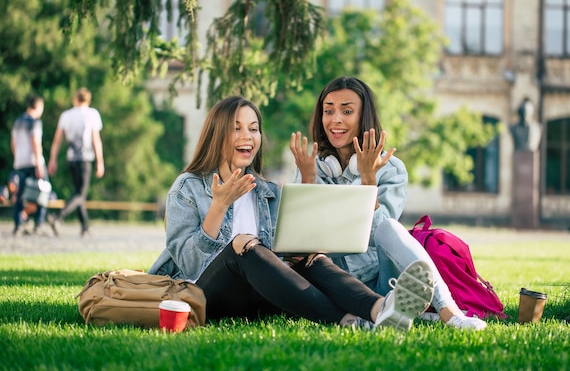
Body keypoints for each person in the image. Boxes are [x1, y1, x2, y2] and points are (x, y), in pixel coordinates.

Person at [148, 95, 435, 330]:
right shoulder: (187, 188)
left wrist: (300, 252)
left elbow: (281, 259)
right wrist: (219, 206)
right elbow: (190, 265)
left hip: (260, 298)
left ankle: (380, 309)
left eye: (253, 128)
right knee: (243, 244)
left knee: (306, 256)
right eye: (236, 128)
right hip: (205, 297)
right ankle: (348, 321)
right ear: (216, 134)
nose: (247, 136)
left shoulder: (268, 192)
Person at [290, 76, 488, 330]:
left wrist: (368, 181)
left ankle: (450, 313)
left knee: (390, 228)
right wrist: (307, 180)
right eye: (328, 111)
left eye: (347, 111)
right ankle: (372, 313)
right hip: (333, 280)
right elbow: (300, 239)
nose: (335, 119)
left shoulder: (391, 169)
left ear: (364, 117)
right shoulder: (311, 166)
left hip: (382, 279)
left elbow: (379, 234)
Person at [47, 87, 105, 238]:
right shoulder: (92, 114)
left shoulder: (66, 115)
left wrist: (53, 160)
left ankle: (85, 226)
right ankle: (57, 216)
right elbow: (96, 140)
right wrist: (100, 161)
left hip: (71, 158)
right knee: (80, 194)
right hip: (85, 158)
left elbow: (57, 140)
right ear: (88, 100)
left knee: (78, 193)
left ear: (75, 99)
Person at [10, 94, 49, 236]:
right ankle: (39, 223)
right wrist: (39, 163)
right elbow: (35, 143)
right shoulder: (35, 122)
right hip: (33, 161)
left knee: (20, 194)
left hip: (20, 162)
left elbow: (13, 143)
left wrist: (17, 157)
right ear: (38, 106)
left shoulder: (18, 122)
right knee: (43, 191)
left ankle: (18, 224)